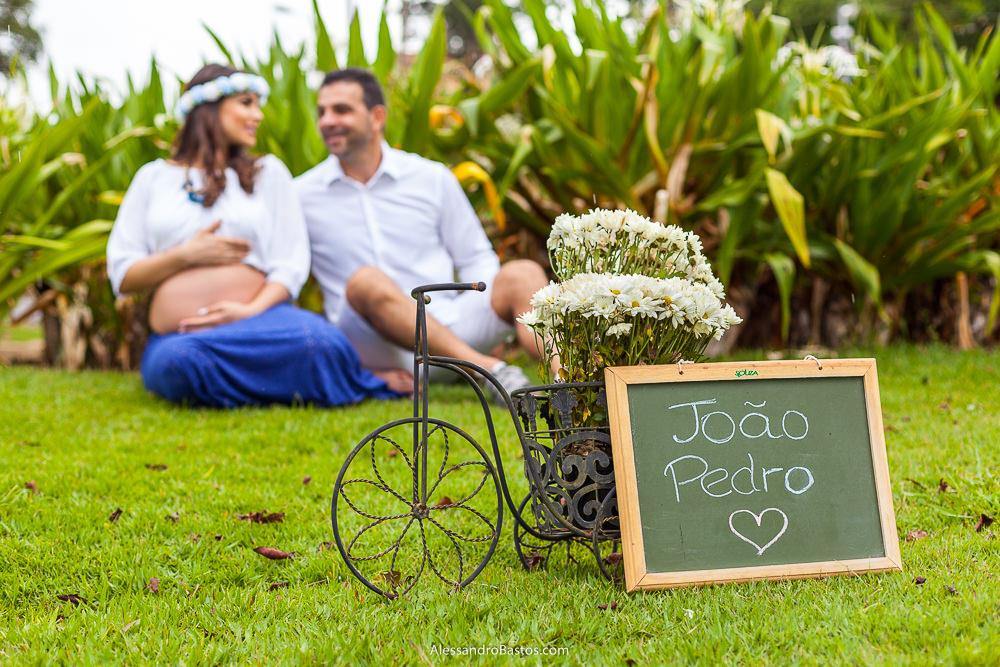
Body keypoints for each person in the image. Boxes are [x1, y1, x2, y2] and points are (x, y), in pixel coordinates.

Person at [106, 64, 412, 408]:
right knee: (179, 364)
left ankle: (294, 383)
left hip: (264, 321)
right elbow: (123, 274)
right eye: (246, 103)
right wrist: (185, 256)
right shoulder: (153, 179)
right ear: (208, 107)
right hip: (186, 333)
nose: (258, 115)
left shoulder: (269, 174)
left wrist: (248, 310)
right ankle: (289, 385)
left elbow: (290, 264)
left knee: (320, 343)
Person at [295, 68, 549, 403]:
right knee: (366, 281)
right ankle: (490, 372)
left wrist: (486, 311)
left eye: (341, 110)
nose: (327, 121)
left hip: (450, 324)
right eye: (322, 112)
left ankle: (570, 383)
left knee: (523, 273)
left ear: (377, 117)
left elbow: (475, 256)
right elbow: (288, 275)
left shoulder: (430, 177)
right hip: (374, 347)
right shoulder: (300, 194)